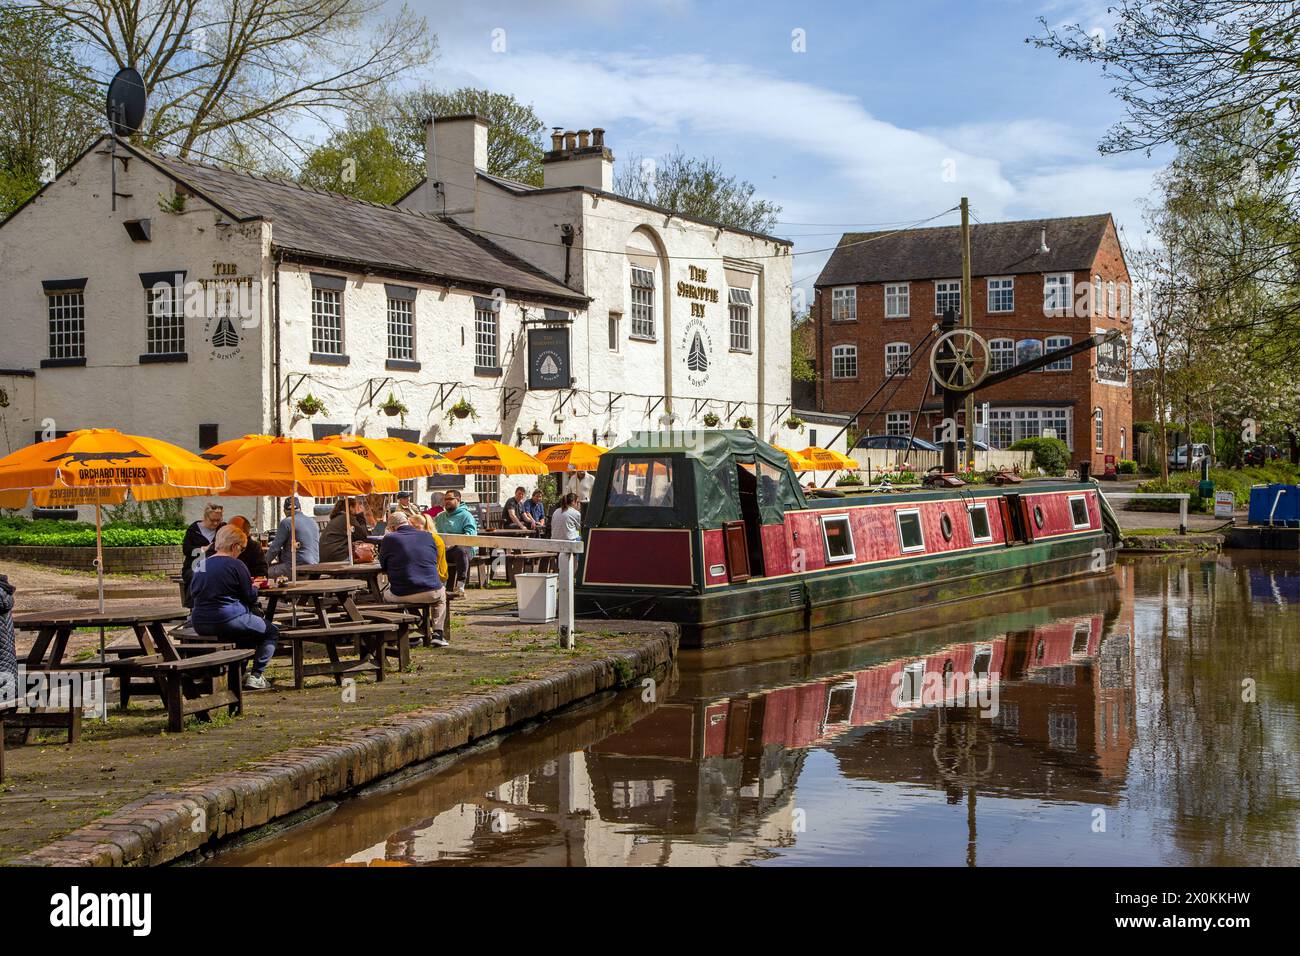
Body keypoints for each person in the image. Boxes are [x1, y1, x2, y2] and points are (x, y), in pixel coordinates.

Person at [189, 525, 278, 690]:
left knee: (243, 636)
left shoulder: (201, 564)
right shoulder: (236, 565)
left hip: (200, 621)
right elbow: (249, 596)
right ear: (235, 546)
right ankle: (256, 676)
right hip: (228, 618)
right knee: (270, 631)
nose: (242, 552)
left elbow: (194, 591)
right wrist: (256, 586)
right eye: (242, 549)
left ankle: (231, 676)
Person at [379, 512, 449, 646]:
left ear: (392, 528)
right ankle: (438, 634)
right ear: (408, 523)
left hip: (401, 593)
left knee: (385, 596)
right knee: (441, 597)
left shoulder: (389, 538)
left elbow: (383, 564)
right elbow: (432, 559)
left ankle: (407, 633)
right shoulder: (429, 536)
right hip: (431, 590)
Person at [434, 489, 477, 597]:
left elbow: (470, 534)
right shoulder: (440, 516)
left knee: (460, 551)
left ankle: (460, 586)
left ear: (458, 500)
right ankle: (434, 586)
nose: (447, 501)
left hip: (463, 549)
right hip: (444, 549)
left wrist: (454, 543)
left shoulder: (466, 515)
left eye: (450, 499)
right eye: (445, 499)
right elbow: (434, 533)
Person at [180, 503, 225, 606]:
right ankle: (194, 607)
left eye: (218, 520)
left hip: (216, 565)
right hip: (195, 564)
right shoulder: (194, 529)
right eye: (212, 520)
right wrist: (202, 549)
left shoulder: (222, 528)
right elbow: (186, 550)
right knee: (197, 574)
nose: (215, 523)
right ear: (205, 517)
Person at [266, 497, 319, 577]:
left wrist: (261, 565)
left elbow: (274, 549)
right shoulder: (313, 522)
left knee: (264, 573)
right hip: (314, 566)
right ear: (300, 508)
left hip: (295, 567)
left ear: (284, 511)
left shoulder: (287, 522)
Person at [319, 498, 372, 563]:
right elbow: (363, 537)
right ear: (351, 507)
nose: (358, 509)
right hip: (338, 557)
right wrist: (360, 515)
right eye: (357, 507)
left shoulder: (336, 518)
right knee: (366, 560)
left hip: (324, 557)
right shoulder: (347, 518)